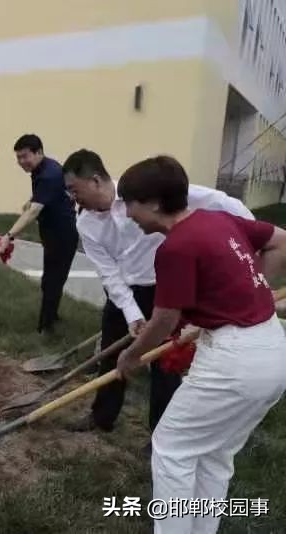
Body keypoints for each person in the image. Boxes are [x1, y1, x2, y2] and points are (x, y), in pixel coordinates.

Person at [115, 155, 286, 534]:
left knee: (172, 448)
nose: (128, 214)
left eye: (131, 203)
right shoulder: (218, 220)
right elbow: (281, 241)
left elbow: (165, 319)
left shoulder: (175, 248)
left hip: (234, 362)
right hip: (272, 351)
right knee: (214, 454)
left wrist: (131, 354)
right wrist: (250, 287)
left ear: (154, 203)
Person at [62, 149, 255, 438]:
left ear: (95, 180)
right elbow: (109, 274)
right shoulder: (85, 223)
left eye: (74, 190)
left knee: (164, 363)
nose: (72, 197)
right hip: (123, 294)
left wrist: (254, 233)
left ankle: (160, 433)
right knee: (111, 353)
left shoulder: (143, 192)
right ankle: (102, 415)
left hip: (162, 290)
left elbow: (221, 202)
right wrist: (132, 314)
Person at [0, 134, 78, 334]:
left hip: (63, 234)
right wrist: (32, 199)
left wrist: (8, 236)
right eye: (18, 158)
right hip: (52, 232)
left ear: (39, 152)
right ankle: (52, 317)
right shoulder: (43, 168)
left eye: (25, 156)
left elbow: (33, 212)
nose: (21, 162)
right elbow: (44, 195)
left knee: (52, 280)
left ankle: (45, 327)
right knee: (52, 279)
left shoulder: (49, 173)